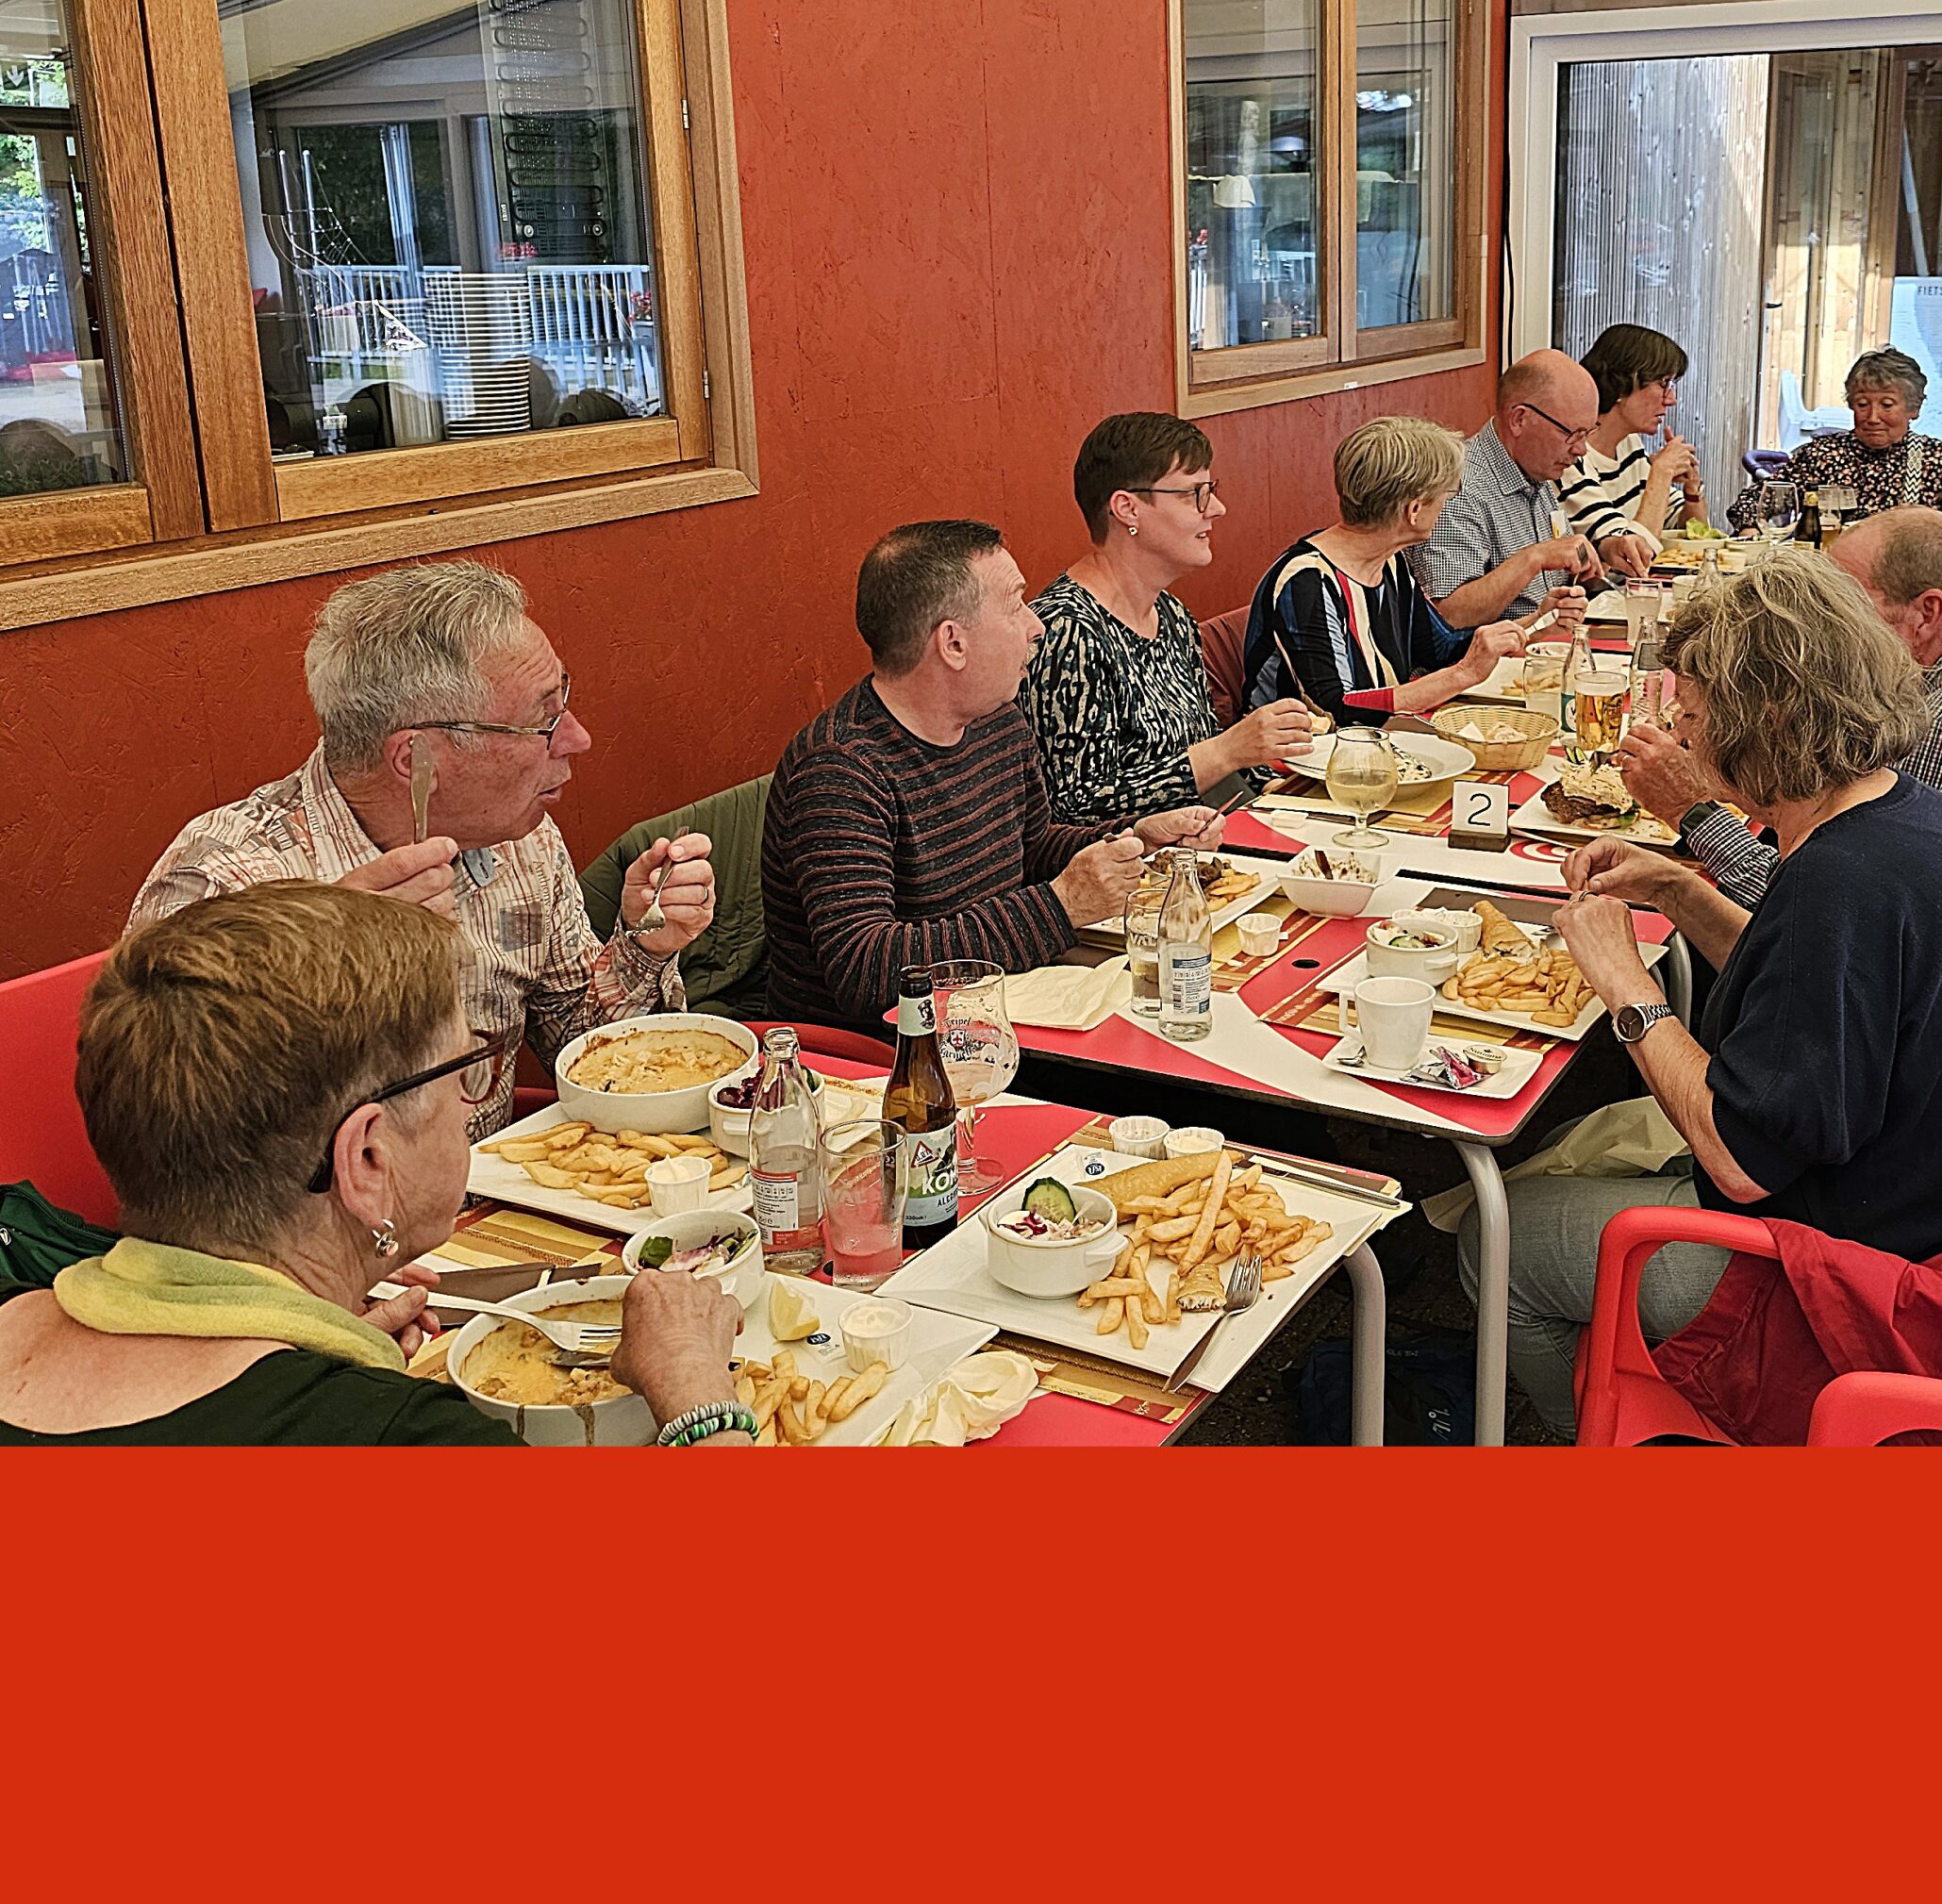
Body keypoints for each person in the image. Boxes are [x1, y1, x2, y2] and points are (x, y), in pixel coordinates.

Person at [1461, 555, 1942, 1437]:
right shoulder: (1905, 813)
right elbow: (1815, 997)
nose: (1684, 741)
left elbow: (1740, 1159)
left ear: (1763, 716)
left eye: (1694, 718)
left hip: (1842, 1265)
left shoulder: (1839, 885)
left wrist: (1622, 981)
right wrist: (1681, 891)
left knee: (1490, 1241)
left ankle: (1608, 1441)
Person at [0, 885, 749, 1447]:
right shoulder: (404, 1439)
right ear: (365, 1159)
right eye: (466, 1074)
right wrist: (693, 1389)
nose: (470, 1104)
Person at [130, 560, 716, 1145]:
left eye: (563, 702)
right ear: (417, 761)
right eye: (543, 721)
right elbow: (184, 1152)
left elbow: (584, 1054)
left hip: (490, 1205)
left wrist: (644, 945)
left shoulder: (518, 837)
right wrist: (328, 972)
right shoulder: (227, 881)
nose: (577, 738)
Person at [1622, 515, 1942, 1029]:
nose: (1820, 622)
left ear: (1925, 613)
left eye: (1844, 601)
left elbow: (1812, 923)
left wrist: (1693, 811)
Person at [764, 520, 1220, 1028]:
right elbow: (866, 972)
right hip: (885, 1059)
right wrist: (1062, 905)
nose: (1036, 625)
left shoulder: (997, 720)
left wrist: (1132, 844)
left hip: (998, 1011)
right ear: (953, 644)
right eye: (1014, 605)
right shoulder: (841, 770)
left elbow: (1031, 846)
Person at [1019, 412, 1316, 823]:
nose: (1217, 508)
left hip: (1205, 842)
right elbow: (1076, 805)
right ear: (1127, 509)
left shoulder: (1172, 614)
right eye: (1194, 493)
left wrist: (1276, 783)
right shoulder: (1065, 631)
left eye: (1211, 490)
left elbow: (1206, 751)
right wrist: (1230, 749)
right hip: (1132, 871)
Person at [1241, 416, 1531, 721]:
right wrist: (1462, 675)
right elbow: (1336, 709)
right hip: (1296, 759)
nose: (1447, 505)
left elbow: (1439, 649)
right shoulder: (1307, 582)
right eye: (1447, 495)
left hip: (1377, 744)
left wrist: (1535, 626)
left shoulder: (1390, 562)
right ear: (1415, 510)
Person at [1416, 352, 1638, 628]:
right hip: (1497, 663)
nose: (1581, 450)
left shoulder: (1535, 467)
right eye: (1572, 434)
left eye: (1587, 433)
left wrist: (1600, 553)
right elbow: (1450, 614)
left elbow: (1560, 569)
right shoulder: (1459, 488)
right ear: (1519, 419)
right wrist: (1535, 557)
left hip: (1552, 643)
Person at [1727, 346, 1942, 531]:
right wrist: (1750, 530)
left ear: (1914, 408)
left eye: (1887, 405)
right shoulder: (1823, 455)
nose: (1873, 417)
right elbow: (1753, 502)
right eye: (1862, 404)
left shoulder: (1941, 462)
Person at [1558, 323, 1702, 555]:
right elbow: (1632, 557)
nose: (1671, 400)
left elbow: (1695, 534)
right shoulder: (1570, 457)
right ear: (1621, 384)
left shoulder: (1628, 443)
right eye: (1664, 384)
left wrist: (1692, 490)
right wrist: (1662, 472)